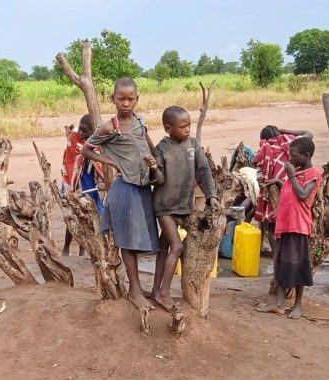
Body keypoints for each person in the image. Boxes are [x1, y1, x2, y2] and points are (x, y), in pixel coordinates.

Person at [81, 77, 160, 312]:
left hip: (144, 187)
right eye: (121, 99)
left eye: (131, 99)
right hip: (125, 190)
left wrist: (158, 163)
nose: (126, 103)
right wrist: (112, 162)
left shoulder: (139, 121)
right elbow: (86, 149)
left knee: (138, 241)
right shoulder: (109, 127)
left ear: (137, 99)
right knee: (128, 241)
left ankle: (138, 288)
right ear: (112, 100)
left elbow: (150, 147)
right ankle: (135, 291)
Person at [148, 105, 218, 311]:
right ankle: (163, 293)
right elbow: (158, 180)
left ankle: (155, 289)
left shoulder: (193, 145)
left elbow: (204, 172)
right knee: (177, 247)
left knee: (164, 247)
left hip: (183, 205)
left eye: (189, 125)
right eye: (183, 126)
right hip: (164, 206)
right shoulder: (162, 148)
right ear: (168, 128)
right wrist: (153, 169)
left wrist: (211, 196)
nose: (187, 129)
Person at [256, 136, 321, 320]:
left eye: (293, 155)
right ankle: (279, 304)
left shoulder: (313, 173)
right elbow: (292, 189)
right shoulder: (299, 171)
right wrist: (278, 183)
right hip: (285, 225)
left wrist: (291, 174)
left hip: (298, 226)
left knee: (298, 265)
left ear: (306, 155)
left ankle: (298, 305)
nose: (289, 158)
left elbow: (302, 194)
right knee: (281, 265)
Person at [253, 126, 313, 251]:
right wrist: (284, 130)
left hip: (276, 190)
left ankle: (277, 258)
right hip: (294, 187)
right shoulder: (292, 143)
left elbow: (259, 175)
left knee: (273, 224)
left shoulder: (263, 150)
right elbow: (308, 133)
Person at [61, 114, 104, 256]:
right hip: (73, 178)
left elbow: (100, 160)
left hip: (88, 176)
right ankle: (66, 247)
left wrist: (101, 179)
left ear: (93, 130)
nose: (81, 132)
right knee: (73, 213)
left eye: (85, 131)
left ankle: (84, 249)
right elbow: (73, 159)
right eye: (81, 129)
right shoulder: (74, 137)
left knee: (92, 212)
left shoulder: (100, 137)